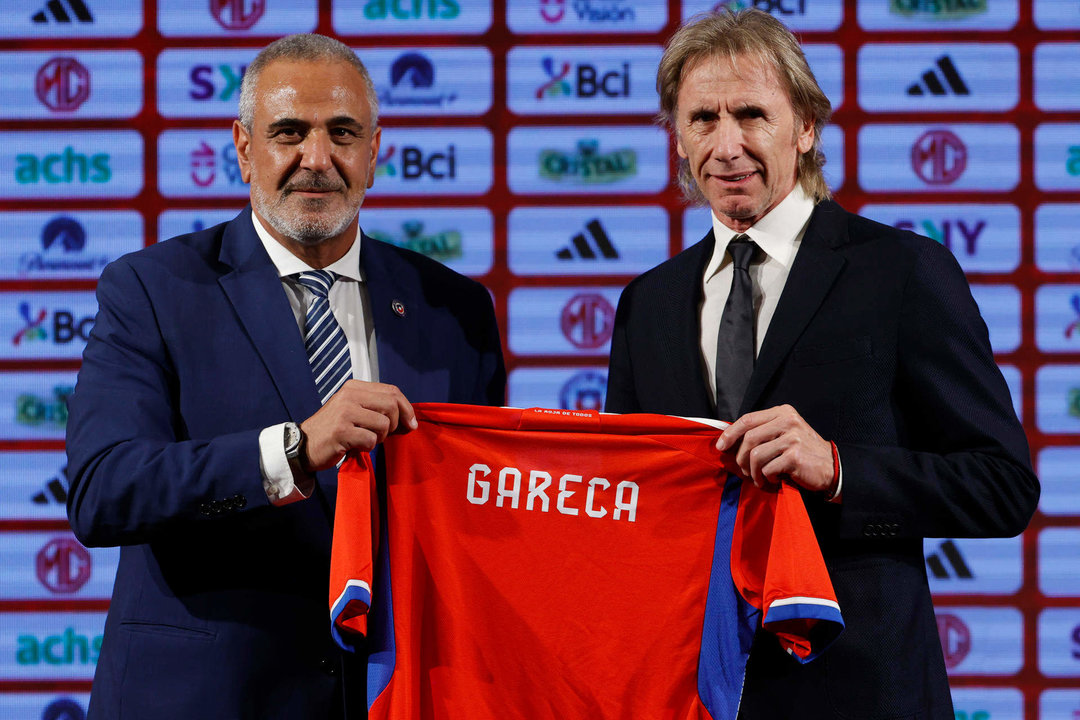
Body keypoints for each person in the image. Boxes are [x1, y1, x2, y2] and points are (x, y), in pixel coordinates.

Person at [604, 9, 1038, 719]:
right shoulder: (646, 303)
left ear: (806, 126)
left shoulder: (900, 271)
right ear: (676, 138)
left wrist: (839, 468)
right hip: (691, 691)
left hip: (861, 690)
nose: (727, 144)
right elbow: (629, 507)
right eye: (702, 119)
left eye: (751, 114)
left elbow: (1001, 485)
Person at [66, 34, 505, 720]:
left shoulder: (454, 309)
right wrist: (292, 451)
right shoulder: (151, 289)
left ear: (374, 151)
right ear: (244, 148)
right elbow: (105, 490)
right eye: (290, 132)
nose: (317, 159)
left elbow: (475, 521)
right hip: (206, 699)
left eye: (342, 133)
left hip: (392, 698)